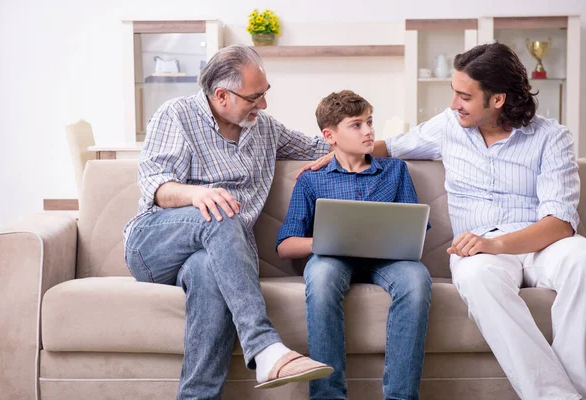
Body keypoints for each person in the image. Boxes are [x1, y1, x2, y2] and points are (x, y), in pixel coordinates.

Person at [300, 43, 586, 400]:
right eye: (454, 93)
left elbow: (560, 223)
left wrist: (497, 243)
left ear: (497, 99)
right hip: (477, 252)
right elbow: (391, 146)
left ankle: (578, 388)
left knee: (581, 257)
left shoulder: (551, 136)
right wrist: (334, 153)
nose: (454, 104)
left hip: (539, 243)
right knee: (477, 276)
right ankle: (556, 396)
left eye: (464, 96)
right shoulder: (448, 126)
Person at [123, 44, 336, 400]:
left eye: (265, 94)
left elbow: (322, 146)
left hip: (220, 251)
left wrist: (386, 144)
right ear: (221, 95)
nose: (263, 105)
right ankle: (265, 347)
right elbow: (156, 185)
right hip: (155, 242)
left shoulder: (265, 129)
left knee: (208, 271)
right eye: (255, 97)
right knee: (222, 208)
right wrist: (196, 195)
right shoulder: (176, 114)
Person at [277, 90, 432, 400]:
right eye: (357, 125)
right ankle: (327, 395)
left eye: (370, 122)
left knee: (417, 279)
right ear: (329, 135)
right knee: (320, 276)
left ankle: (401, 396)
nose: (369, 131)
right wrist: (328, 241)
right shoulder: (312, 180)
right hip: (333, 258)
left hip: (389, 259)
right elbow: (285, 246)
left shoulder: (395, 171)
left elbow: (415, 228)